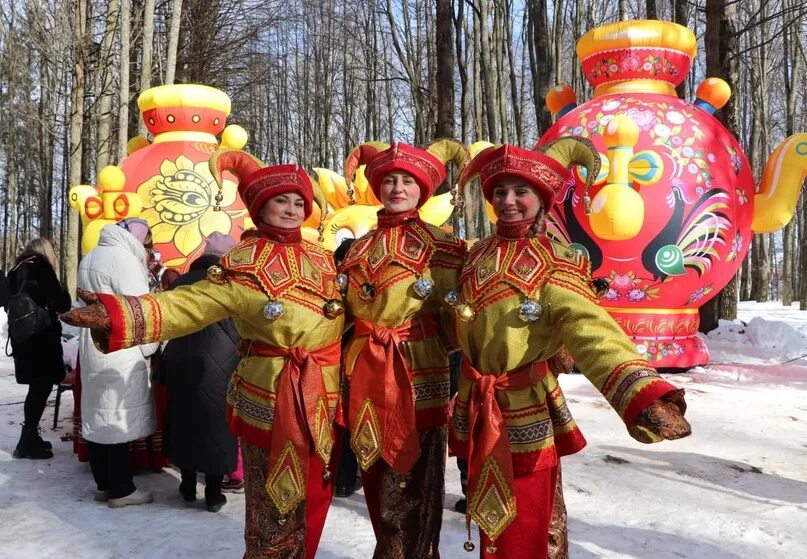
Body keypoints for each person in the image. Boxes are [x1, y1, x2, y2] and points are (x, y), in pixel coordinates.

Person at [61, 151, 345, 559]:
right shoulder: (244, 262)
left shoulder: (322, 258)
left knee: (316, 496)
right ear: (261, 206)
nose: (292, 209)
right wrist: (121, 314)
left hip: (321, 396)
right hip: (270, 397)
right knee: (272, 507)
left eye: (299, 201)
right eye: (282, 200)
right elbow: (190, 305)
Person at [449, 141, 692, 559]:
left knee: (528, 517)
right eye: (500, 192)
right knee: (491, 517)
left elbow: (591, 329)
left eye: (520, 192)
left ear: (541, 197)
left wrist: (641, 392)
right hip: (477, 406)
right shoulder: (475, 257)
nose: (509, 201)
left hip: (525, 408)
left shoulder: (555, 261)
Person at [339, 140, 467, 557]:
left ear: (423, 190)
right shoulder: (358, 248)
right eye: (389, 180)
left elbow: (459, 317)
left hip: (419, 380)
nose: (397, 187)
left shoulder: (443, 247)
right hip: (364, 380)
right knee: (377, 485)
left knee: (415, 486)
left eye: (406, 181)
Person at [76, 218, 162, 507]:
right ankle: (122, 490)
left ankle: (103, 483)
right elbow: (141, 309)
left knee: (100, 415)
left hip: (93, 343)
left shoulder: (90, 256)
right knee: (116, 417)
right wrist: (151, 348)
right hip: (120, 344)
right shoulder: (123, 259)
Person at [160, 231, 240, 512]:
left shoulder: (180, 282)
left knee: (185, 419)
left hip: (182, 361)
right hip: (222, 362)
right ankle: (215, 492)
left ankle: (187, 483)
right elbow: (238, 328)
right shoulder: (230, 283)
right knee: (217, 424)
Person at [7, 238, 71, 459]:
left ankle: (30, 436)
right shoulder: (41, 267)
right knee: (40, 387)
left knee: (37, 388)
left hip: (22, 338)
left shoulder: (15, 270)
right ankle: (27, 440)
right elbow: (60, 302)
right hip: (41, 338)